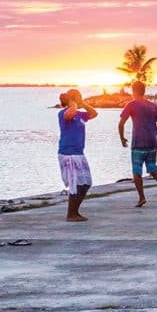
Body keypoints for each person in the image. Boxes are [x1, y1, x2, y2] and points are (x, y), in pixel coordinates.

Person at [118, 82, 157, 207]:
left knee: (137, 171)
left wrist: (122, 138)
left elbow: (121, 123)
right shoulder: (153, 106)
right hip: (151, 142)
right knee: (152, 167)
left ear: (134, 91)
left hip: (138, 142)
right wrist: (154, 134)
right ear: (144, 91)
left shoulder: (131, 105)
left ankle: (142, 198)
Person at [57, 89, 96, 222]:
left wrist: (83, 104)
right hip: (68, 153)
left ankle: (75, 211)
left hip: (78, 152)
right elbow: (68, 115)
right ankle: (71, 214)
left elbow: (94, 114)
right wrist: (73, 103)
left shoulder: (79, 114)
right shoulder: (63, 113)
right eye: (78, 97)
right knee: (75, 184)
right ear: (72, 99)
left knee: (86, 183)